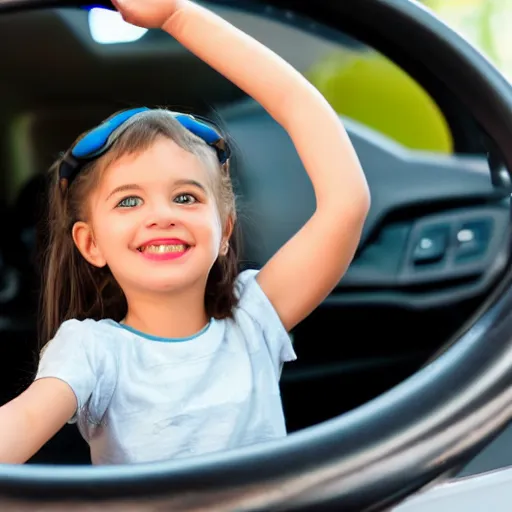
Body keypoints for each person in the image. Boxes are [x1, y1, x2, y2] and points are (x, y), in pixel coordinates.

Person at [0, 0, 370, 465]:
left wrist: (179, 16)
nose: (162, 215)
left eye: (187, 197)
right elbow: (23, 423)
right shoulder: (93, 351)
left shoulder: (254, 319)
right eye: (129, 201)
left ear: (225, 231)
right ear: (90, 244)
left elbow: (343, 196)